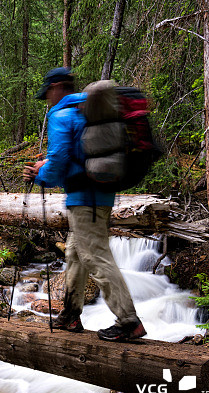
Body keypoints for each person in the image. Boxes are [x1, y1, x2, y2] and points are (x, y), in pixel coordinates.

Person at [23, 67, 146, 342]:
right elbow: (76, 154)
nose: (47, 100)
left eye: (48, 94)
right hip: (99, 194)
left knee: (95, 256)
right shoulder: (86, 110)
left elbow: (59, 162)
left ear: (57, 88)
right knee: (76, 254)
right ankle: (70, 314)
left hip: (83, 198)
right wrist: (48, 165)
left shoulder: (61, 114)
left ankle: (129, 322)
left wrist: (39, 174)